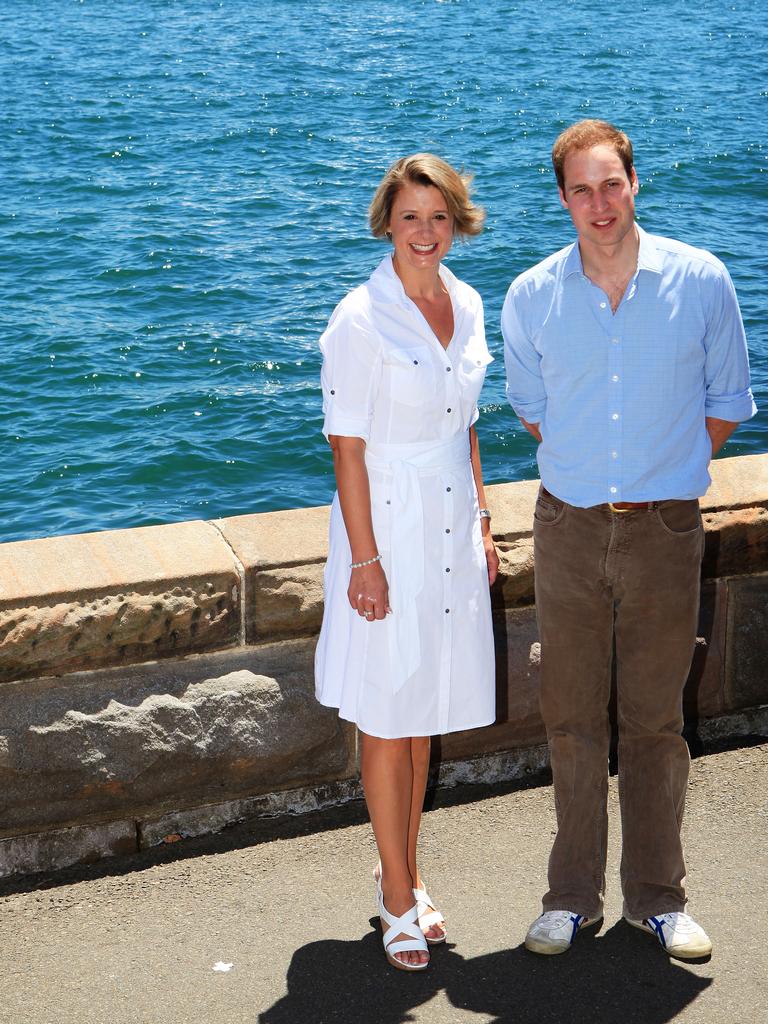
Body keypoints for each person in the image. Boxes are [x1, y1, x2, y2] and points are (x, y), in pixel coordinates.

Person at [502, 119, 756, 960]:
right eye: (581, 188)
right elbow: (536, 415)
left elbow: (724, 403)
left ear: (635, 182)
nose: (599, 203)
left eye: (611, 183)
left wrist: (661, 472)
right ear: (563, 198)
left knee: (654, 720)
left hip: (665, 530)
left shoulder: (702, 280)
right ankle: (571, 898)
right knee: (571, 718)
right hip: (568, 530)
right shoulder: (532, 295)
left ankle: (658, 899)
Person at [315, 153, 498, 971]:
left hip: (453, 524)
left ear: (457, 221)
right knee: (387, 716)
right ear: (387, 221)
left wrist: (486, 524)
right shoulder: (360, 318)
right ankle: (394, 896)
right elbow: (345, 448)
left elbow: (466, 430)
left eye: (439, 216)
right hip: (384, 526)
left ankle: (409, 873)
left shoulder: (467, 302)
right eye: (410, 216)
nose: (425, 232)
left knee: (422, 714)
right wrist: (365, 561)